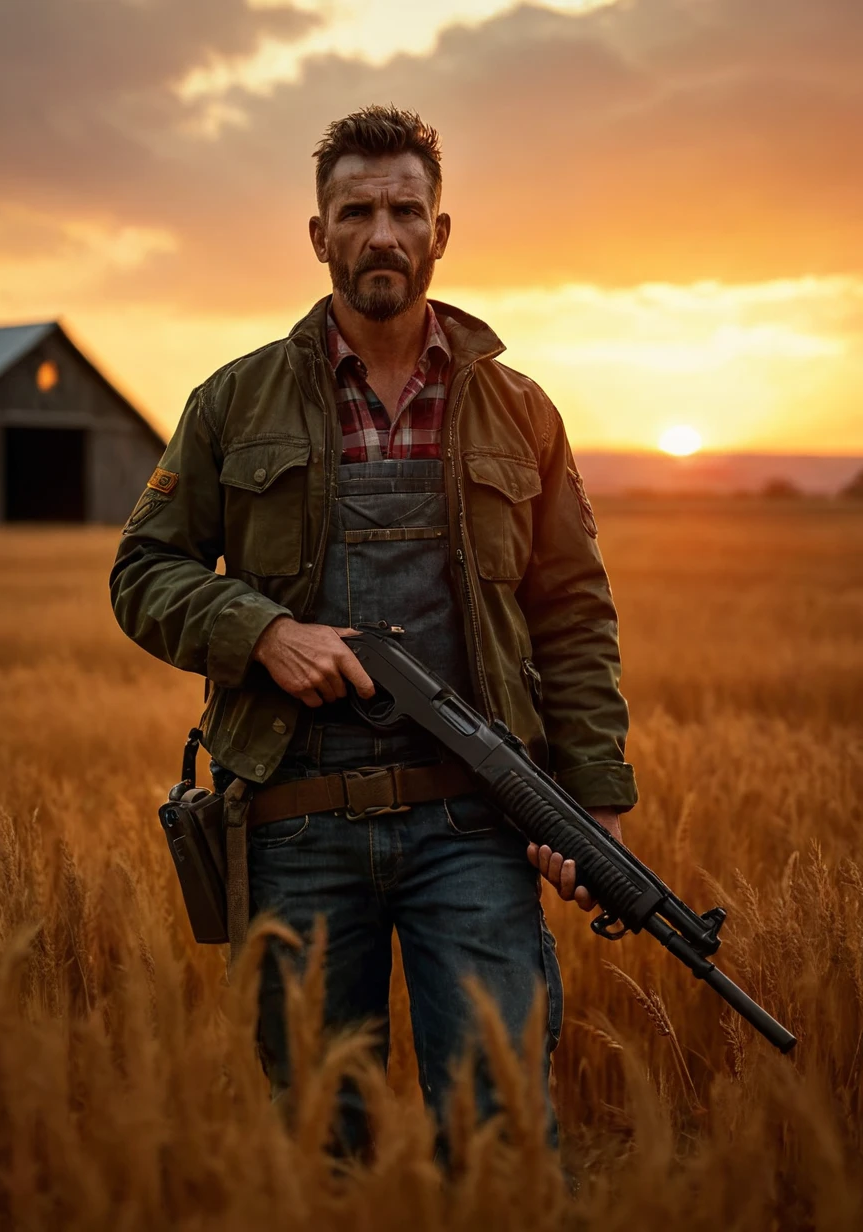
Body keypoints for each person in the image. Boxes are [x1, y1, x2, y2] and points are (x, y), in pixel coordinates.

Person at [110, 105, 638, 1154]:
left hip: (475, 828)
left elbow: (573, 612)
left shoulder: (518, 410)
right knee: (317, 1149)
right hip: (293, 823)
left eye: (406, 210)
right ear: (319, 235)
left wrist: (595, 800)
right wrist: (259, 629)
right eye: (356, 211)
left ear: (441, 231)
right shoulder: (232, 401)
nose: (382, 233)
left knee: (496, 1138)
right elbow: (143, 569)